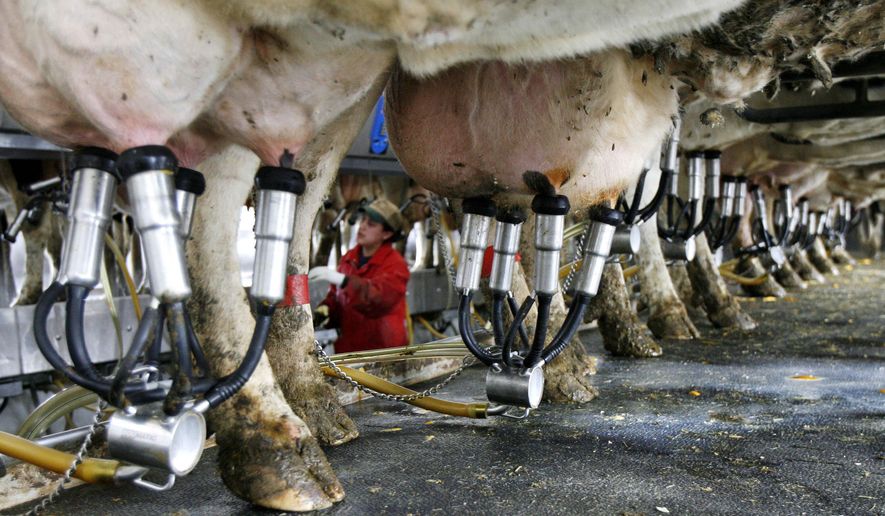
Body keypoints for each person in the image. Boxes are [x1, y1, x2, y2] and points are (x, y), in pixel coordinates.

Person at [309, 198, 410, 353]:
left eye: (371, 224)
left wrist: (343, 280)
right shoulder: (349, 258)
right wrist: (325, 310)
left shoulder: (396, 265)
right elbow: (337, 296)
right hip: (350, 349)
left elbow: (377, 298)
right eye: (363, 220)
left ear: (386, 234)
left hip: (384, 353)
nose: (362, 226)